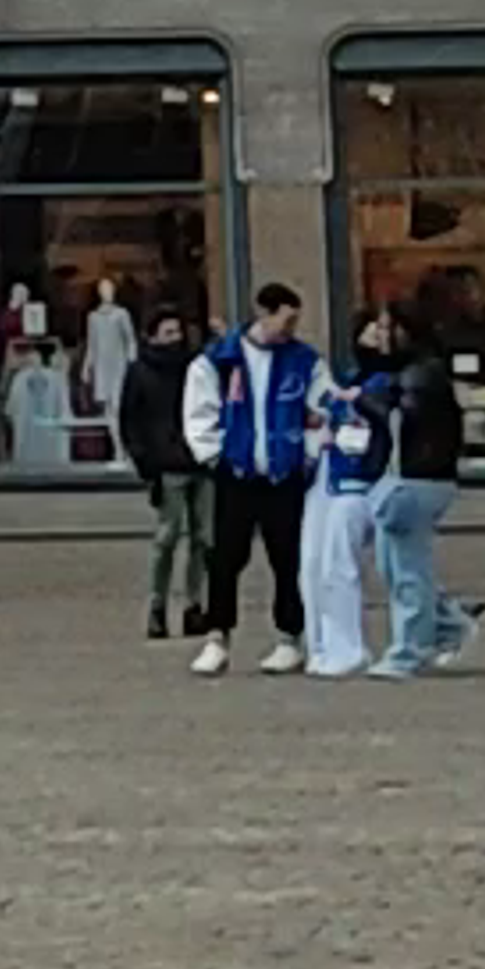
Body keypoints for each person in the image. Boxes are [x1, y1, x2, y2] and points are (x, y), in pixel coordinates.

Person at [183, 282, 317, 677]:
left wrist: (306, 453)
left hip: (283, 474)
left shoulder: (304, 361)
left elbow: (320, 407)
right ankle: (217, 636)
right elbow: (199, 410)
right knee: (224, 557)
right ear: (265, 313)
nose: (291, 328)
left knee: (286, 557)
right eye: (286, 319)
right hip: (236, 473)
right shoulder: (220, 361)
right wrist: (213, 455)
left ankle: (290, 637)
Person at [361, 308, 473, 674]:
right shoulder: (416, 370)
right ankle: (446, 624)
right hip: (413, 478)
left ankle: (410, 650)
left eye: (386, 328)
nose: (379, 335)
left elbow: (403, 417)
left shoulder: (421, 374)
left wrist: (364, 401)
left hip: (415, 478)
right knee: (395, 565)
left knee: (408, 570)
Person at [302, 326, 390, 679]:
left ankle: (345, 648)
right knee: (322, 565)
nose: (375, 338)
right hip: (338, 476)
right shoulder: (350, 380)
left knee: (343, 566)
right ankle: (328, 645)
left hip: (364, 482)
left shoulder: (385, 383)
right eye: (371, 330)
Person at [117, 305, 208, 643]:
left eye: (178, 332)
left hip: (200, 461)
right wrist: (144, 461)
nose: (176, 339)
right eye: (168, 333)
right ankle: (157, 606)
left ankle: (194, 605)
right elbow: (131, 419)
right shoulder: (140, 371)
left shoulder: (197, 368)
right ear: (153, 336)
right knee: (166, 538)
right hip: (166, 464)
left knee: (204, 538)